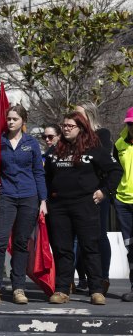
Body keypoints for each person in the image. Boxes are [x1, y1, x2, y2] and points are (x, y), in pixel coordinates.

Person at [45, 112, 122, 305]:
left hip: (85, 205)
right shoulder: (55, 150)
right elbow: (46, 177)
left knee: (90, 247)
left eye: (71, 126)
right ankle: (62, 289)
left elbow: (115, 171)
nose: (66, 128)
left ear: (81, 128)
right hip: (59, 206)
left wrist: (105, 192)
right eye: (64, 125)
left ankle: (96, 290)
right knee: (62, 249)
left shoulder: (94, 148)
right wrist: (45, 200)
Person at [0, 105, 47, 306]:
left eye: (15, 119)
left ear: (23, 121)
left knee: (21, 243)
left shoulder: (32, 143)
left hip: (29, 197)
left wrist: (43, 200)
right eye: (9, 118)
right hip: (6, 195)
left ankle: (18, 287)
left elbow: (39, 172)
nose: (11, 122)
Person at [74, 102, 112, 294]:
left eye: (79, 114)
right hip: (78, 195)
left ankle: (103, 278)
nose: (75, 118)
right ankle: (85, 278)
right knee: (80, 239)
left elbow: (105, 164)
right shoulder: (73, 137)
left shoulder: (102, 134)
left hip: (98, 193)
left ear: (89, 116)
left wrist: (103, 190)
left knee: (99, 236)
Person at [113, 107, 133, 302]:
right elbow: (114, 172)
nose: (132, 127)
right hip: (123, 202)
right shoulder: (119, 144)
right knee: (131, 248)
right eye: (130, 123)